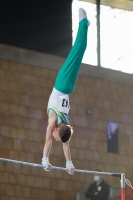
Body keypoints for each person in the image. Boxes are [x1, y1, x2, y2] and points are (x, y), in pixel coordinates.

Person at [42, 8, 90, 174]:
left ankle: (85, 25)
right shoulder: (53, 121)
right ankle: (83, 23)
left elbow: (65, 143)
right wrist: (45, 160)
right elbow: (48, 142)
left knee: (80, 53)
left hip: (69, 87)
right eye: (57, 137)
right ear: (57, 130)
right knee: (75, 52)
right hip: (62, 84)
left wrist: (69, 164)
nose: (56, 139)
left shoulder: (65, 127)